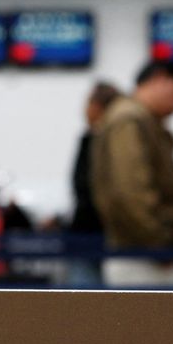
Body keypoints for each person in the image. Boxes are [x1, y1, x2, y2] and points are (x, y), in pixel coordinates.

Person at [91, 60, 173, 287]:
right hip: (143, 257)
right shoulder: (129, 121)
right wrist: (160, 245)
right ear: (159, 79)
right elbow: (130, 193)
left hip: (145, 252)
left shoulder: (140, 121)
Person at [67, 81, 121, 286]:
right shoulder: (91, 138)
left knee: (85, 305)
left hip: (93, 235)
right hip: (94, 234)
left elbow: (86, 187)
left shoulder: (100, 141)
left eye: (89, 102)